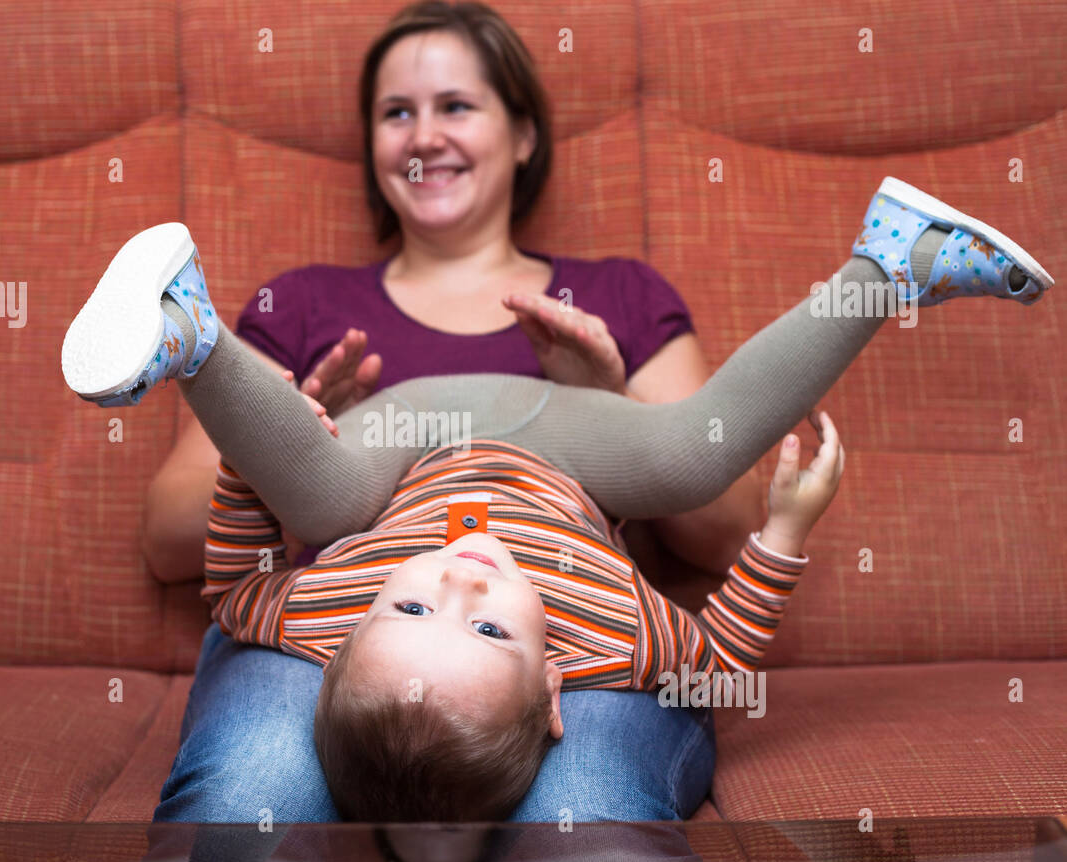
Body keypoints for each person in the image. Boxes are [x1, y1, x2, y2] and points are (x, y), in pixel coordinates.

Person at [63, 173, 1053, 822]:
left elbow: (238, 587)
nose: (458, 578)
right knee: (684, 456)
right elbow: (719, 656)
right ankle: (887, 262)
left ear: (338, 656)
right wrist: (783, 531)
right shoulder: (615, 632)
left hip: (404, 441)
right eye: (489, 631)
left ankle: (190, 342)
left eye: (407, 606)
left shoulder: (329, 615)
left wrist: (255, 453)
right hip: (562, 446)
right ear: (552, 694)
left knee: (318, 508)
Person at [137, 2, 764, 827]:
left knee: (586, 814)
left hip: (575, 644)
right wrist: (292, 447)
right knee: (250, 795)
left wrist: (605, 404)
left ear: (525, 134)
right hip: (331, 635)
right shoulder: (299, 305)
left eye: (456, 106)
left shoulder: (619, 298)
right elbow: (170, 540)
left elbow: (726, 531)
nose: (423, 137)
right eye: (398, 113)